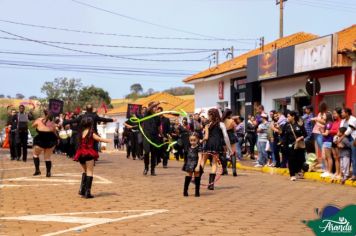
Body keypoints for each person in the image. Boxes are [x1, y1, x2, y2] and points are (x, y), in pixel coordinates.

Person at [74, 117, 111, 198]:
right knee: (90, 172)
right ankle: (87, 192)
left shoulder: (81, 132)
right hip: (88, 153)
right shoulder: (91, 133)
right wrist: (108, 140)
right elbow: (99, 139)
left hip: (80, 154)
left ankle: (82, 190)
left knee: (85, 171)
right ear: (91, 124)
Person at [201, 108, 232, 190]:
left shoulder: (208, 124)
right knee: (214, 164)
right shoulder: (221, 124)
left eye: (209, 115)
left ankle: (197, 179)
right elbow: (226, 137)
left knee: (203, 162)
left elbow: (205, 136)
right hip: (217, 145)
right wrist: (229, 148)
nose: (208, 117)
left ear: (212, 115)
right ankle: (211, 184)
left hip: (208, 144)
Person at [282, 111, 307, 181]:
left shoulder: (299, 124)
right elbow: (284, 135)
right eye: (287, 116)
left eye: (289, 116)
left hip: (299, 145)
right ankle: (292, 175)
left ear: (293, 117)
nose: (287, 118)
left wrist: (300, 138)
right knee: (291, 160)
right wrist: (284, 145)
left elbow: (305, 134)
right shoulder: (286, 125)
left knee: (299, 160)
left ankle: (298, 172)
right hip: (290, 145)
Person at [32, 110, 58, 177]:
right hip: (51, 141)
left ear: (44, 114)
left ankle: (37, 170)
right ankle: (48, 173)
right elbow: (55, 133)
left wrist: (36, 121)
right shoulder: (52, 123)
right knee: (47, 158)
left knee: (35, 155)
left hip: (40, 141)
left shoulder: (39, 120)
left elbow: (33, 126)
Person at [142, 101, 165, 176]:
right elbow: (150, 107)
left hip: (155, 137)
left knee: (154, 154)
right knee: (146, 152)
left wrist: (162, 135)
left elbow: (159, 127)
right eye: (154, 107)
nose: (155, 108)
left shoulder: (157, 117)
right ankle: (146, 168)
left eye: (156, 107)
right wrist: (160, 102)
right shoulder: (147, 113)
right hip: (147, 137)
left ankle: (152, 170)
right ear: (150, 107)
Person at [182, 133, 202, 197]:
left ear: (197, 140)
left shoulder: (199, 147)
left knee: (197, 178)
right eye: (191, 140)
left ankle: (197, 192)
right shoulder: (188, 147)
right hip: (189, 164)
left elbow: (200, 157)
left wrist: (198, 166)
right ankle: (185, 191)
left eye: (194, 140)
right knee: (188, 177)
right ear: (189, 140)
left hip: (196, 164)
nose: (192, 142)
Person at [340, 108, 356, 181]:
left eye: (343, 112)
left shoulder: (353, 119)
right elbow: (340, 129)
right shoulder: (343, 121)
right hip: (345, 140)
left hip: (353, 139)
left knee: (353, 157)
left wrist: (341, 138)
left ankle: (354, 174)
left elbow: (350, 130)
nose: (341, 113)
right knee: (346, 157)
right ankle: (346, 173)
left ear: (347, 113)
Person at [311, 102, 327, 169]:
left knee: (322, 149)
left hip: (320, 132)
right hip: (316, 132)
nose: (318, 108)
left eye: (320, 107)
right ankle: (323, 165)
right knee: (319, 150)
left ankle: (325, 166)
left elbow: (324, 122)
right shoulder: (319, 113)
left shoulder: (325, 114)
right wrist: (314, 120)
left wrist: (317, 119)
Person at [222, 109, 237, 176]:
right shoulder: (232, 121)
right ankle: (234, 170)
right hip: (231, 136)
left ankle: (224, 170)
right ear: (230, 114)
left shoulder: (221, 121)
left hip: (224, 136)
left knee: (224, 154)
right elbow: (235, 129)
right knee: (233, 152)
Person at [329, 108, 342, 179]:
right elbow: (332, 130)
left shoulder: (341, 122)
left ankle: (340, 172)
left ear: (339, 114)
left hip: (337, 140)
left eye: (335, 113)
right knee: (335, 157)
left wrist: (332, 131)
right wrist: (332, 131)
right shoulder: (334, 122)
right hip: (332, 140)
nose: (334, 115)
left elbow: (338, 131)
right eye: (333, 114)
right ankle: (337, 172)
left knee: (339, 157)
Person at [320, 112, 334, 178]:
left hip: (328, 141)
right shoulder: (327, 123)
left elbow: (326, 134)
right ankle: (327, 170)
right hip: (325, 141)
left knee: (328, 157)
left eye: (324, 115)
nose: (323, 116)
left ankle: (329, 171)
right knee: (324, 157)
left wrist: (321, 131)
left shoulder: (329, 124)